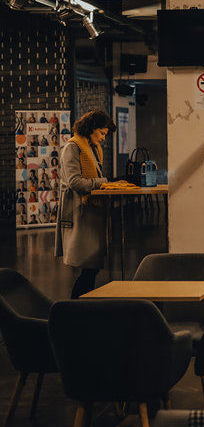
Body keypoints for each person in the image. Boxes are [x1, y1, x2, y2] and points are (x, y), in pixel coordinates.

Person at [55, 110, 116, 299]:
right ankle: (76, 305)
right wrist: (105, 182)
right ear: (91, 128)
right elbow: (75, 182)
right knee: (89, 265)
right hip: (79, 211)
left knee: (92, 266)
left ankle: (81, 305)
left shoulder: (92, 148)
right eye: (102, 133)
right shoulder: (73, 147)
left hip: (91, 211)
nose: (103, 138)